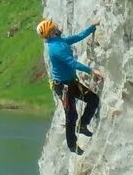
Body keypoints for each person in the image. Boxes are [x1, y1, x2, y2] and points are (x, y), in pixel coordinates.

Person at [38, 18, 101, 154]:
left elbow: (77, 37)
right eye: (55, 26)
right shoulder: (55, 49)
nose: (58, 26)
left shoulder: (59, 42)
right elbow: (72, 63)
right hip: (63, 86)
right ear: (52, 31)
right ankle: (72, 145)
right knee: (71, 114)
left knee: (93, 99)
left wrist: (91, 28)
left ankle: (83, 125)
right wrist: (91, 71)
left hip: (71, 82)